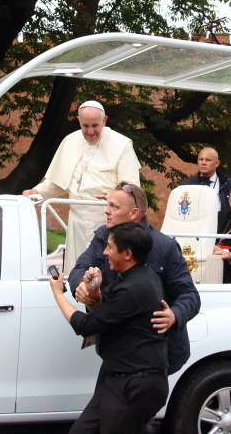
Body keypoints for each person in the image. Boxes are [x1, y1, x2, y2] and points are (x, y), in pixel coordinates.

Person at [68, 182, 200, 375]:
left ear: (133, 213)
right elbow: (80, 268)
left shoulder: (165, 247)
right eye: (108, 205)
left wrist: (175, 315)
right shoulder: (103, 236)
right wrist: (81, 286)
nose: (106, 211)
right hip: (115, 350)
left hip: (152, 358)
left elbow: (189, 294)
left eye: (114, 207)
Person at [50, 222, 169, 434]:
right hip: (117, 379)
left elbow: (85, 325)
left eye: (110, 247)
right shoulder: (135, 276)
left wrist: (58, 293)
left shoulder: (136, 287)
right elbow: (109, 309)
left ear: (127, 254)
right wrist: (94, 291)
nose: (105, 253)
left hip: (136, 385)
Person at [23, 100, 141, 270]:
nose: (90, 131)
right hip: (76, 221)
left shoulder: (122, 145)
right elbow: (58, 182)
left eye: (95, 125)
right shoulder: (70, 141)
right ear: (78, 121)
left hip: (107, 221)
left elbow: (131, 188)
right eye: (85, 126)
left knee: (104, 271)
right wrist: (36, 192)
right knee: (76, 270)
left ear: (104, 120)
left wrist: (115, 197)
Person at [179, 147, 231, 212]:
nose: (203, 163)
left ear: (217, 163)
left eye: (208, 160)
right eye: (201, 159)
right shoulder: (186, 185)